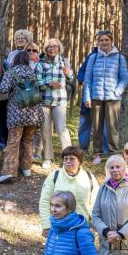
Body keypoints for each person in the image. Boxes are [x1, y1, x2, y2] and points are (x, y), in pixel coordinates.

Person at [0, 50, 44, 184]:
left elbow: (3, 89)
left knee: (13, 142)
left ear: (13, 60)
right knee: (28, 140)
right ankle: (26, 169)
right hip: (34, 113)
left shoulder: (11, 72)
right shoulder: (31, 72)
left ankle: (8, 172)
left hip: (17, 113)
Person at [83, 30, 128, 164]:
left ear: (111, 41)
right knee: (96, 127)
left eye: (106, 40)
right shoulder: (93, 58)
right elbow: (88, 79)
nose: (104, 42)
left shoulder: (119, 58)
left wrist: (117, 92)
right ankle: (97, 153)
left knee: (112, 127)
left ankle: (113, 153)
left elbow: (124, 78)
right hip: (96, 97)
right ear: (98, 42)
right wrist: (87, 97)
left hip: (113, 99)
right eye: (101, 40)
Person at [38, 146, 99, 237]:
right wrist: (46, 225)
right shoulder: (54, 176)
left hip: (81, 226)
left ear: (80, 161)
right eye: (65, 158)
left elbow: (95, 203)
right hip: (59, 226)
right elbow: (44, 201)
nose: (67, 161)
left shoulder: (89, 177)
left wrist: (93, 221)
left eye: (72, 159)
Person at [34, 39, 74, 169]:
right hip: (44, 100)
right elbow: (37, 82)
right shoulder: (40, 64)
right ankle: (48, 158)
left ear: (59, 48)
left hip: (60, 99)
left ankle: (68, 157)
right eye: (49, 47)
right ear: (45, 49)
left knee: (62, 129)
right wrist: (48, 83)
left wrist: (69, 74)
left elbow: (72, 78)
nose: (52, 48)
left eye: (55, 46)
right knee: (45, 130)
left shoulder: (64, 61)